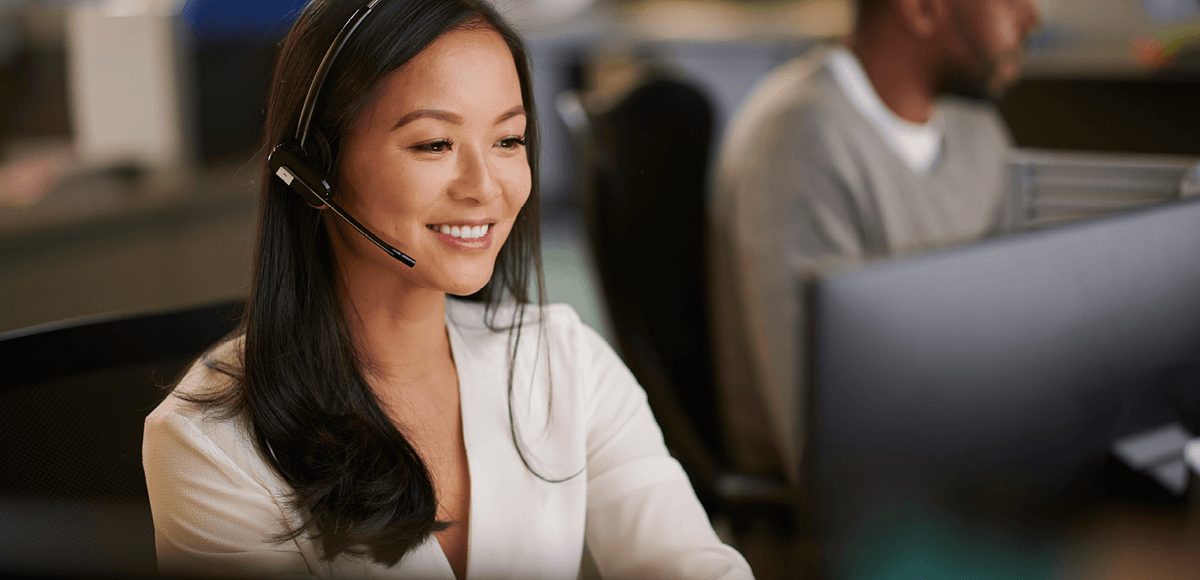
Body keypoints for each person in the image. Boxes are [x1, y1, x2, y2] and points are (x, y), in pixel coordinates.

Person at [141, 1, 754, 578]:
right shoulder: (210, 448)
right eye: (434, 144)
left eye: (508, 140)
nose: (486, 187)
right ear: (314, 171)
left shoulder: (563, 361)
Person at [708, 0, 1042, 481]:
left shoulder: (978, 132)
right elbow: (826, 448)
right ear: (922, 8)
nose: (1032, 17)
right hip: (864, 530)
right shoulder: (798, 144)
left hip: (968, 477)